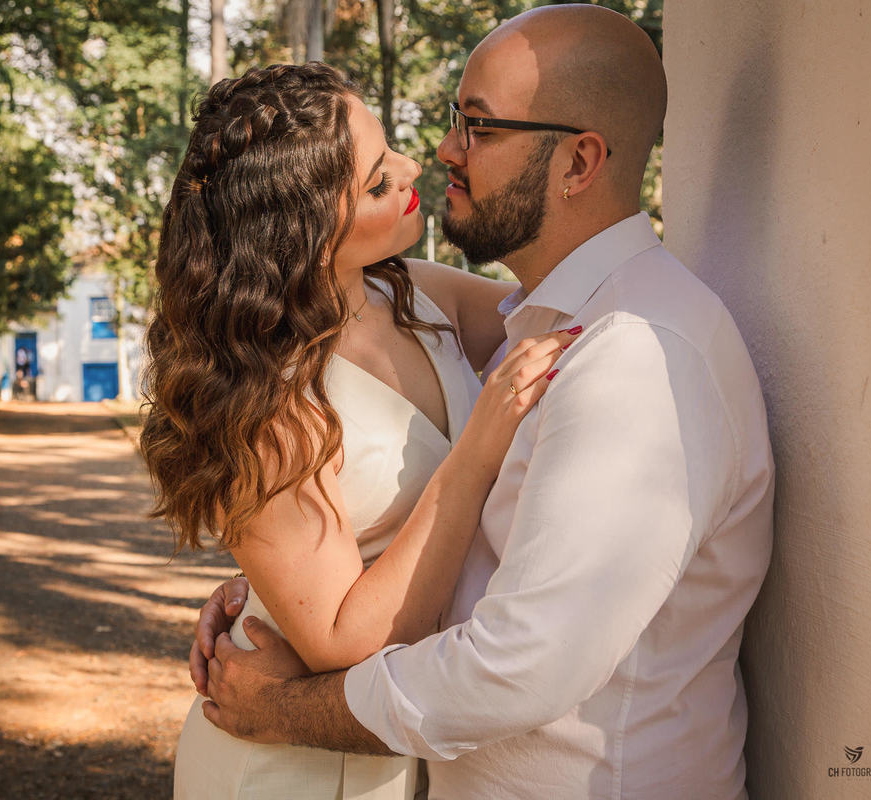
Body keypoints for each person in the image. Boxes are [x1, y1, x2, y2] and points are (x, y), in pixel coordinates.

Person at [193, 5, 775, 799]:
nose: (438, 153)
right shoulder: (535, 321)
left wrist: (290, 706)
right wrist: (272, 588)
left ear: (578, 162)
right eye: (451, 121)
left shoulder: (632, 355)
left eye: (479, 127)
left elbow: (519, 665)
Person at [140, 63, 579, 799]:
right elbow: (347, 638)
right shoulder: (266, 401)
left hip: (398, 736)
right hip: (293, 767)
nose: (415, 167)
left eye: (390, 152)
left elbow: (565, 316)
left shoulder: (413, 292)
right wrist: (474, 456)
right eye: (378, 182)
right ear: (305, 235)